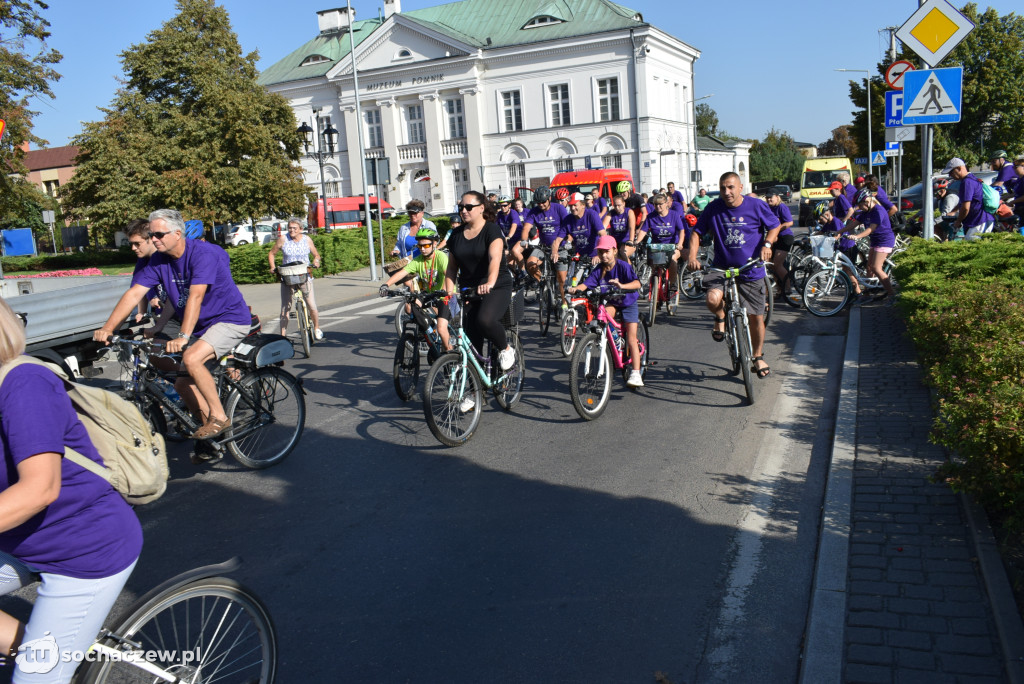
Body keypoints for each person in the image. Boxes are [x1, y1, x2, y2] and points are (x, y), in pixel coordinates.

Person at [0, 297, 143, 684]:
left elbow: (39, 489)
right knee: (37, 660)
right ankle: (38, 652)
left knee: (35, 679)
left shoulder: (23, 383)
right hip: (21, 539)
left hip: (83, 550)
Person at [95, 209, 253, 440]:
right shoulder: (159, 260)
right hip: (201, 326)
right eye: (152, 234)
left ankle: (220, 417)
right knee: (181, 384)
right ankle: (212, 437)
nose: (154, 239)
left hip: (229, 319)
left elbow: (196, 296)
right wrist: (108, 328)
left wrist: (183, 336)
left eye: (159, 234)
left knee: (191, 358)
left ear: (177, 233)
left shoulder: (202, 254)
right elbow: (134, 294)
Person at [688, 172, 779, 379]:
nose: (726, 192)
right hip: (721, 268)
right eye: (722, 188)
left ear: (740, 187)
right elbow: (696, 233)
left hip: (751, 268)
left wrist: (767, 244)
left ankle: (757, 356)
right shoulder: (713, 208)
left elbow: (774, 226)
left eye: (730, 187)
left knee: (756, 316)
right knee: (712, 299)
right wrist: (692, 256)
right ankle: (720, 316)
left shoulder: (755, 205)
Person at [444, 192, 517, 407]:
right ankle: (474, 393)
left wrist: (491, 282)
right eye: (461, 207)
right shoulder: (456, 235)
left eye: (468, 207)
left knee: (485, 320)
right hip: (469, 288)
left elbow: (496, 259)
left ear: (481, 208)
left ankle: (505, 349)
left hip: (496, 285)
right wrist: (449, 294)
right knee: (470, 342)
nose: (463, 211)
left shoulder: (491, 230)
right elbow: (451, 268)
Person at [568, 234, 644, 387]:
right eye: (600, 252)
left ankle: (636, 373)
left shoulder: (623, 266)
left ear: (614, 251)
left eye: (606, 251)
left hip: (628, 302)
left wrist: (622, 286)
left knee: (631, 338)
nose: (603, 255)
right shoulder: (599, 270)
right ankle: (611, 343)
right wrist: (576, 289)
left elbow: (637, 284)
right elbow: (587, 284)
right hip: (612, 302)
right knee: (602, 321)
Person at [381, 229, 452, 350]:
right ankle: (428, 330)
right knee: (411, 305)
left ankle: (449, 354)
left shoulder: (441, 257)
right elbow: (403, 272)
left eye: (426, 245)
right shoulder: (419, 260)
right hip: (429, 294)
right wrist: (386, 285)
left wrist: (445, 291)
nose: (422, 249)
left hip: (444, 295)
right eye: (420, 245)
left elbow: (448, 276)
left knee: (441, 328)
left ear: (435, 244)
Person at [269, 218, 323, 340]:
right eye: (290, 227)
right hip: (287, 276)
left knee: (311, 305)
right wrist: (272, 267)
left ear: (301, 229)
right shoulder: (283, 239)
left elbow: (316, 254)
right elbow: (272, 253)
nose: (292, 230)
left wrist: (316, 261)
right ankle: (282, 336)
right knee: (285, 308)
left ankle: (316, 327)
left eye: (295, 228)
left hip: (304, 275)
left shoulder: (307, 239)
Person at [513, 187, 569, 300]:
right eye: (538, 203)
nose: (541, 205)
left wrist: (568, 241)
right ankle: (543, 282)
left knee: (562, 280)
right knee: (530, 264)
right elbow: (526, 228)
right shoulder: (534, 211)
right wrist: (524, 241)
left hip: (560, 247)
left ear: (549, 199)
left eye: (543, 202)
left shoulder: (559, 208)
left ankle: (563, 302)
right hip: (543, 246)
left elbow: (568, 226)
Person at [845, 189, 896, 303]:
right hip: (875, 240)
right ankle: (867, 294)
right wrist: (840, 231)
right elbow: (855, 223)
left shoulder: (879, 210)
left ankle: (892, 294)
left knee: (876, 268)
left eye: (860, 205)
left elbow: (870, 229)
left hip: (884, 240)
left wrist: (857, 236)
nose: (859, 207)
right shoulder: (866, 212)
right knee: (869, 268)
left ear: (867, 201)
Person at [636, 192, 687, 290]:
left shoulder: (674, 215)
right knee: (654, 267)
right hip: (657, 246)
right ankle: (655, 288)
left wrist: (680, 243)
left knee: (672, 260)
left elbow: (681, 230)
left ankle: (672, 284)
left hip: (672, 245)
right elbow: (643, 230)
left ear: (666, 204)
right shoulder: (651, 216)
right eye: (655, 204)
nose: (658, 206)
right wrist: (637, 241)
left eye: (660, 204)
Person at [943, 157, 995, 239]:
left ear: (959, 168)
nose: (950, 175)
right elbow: (964, 201)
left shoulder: (967, 182)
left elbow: (965, 208)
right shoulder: (971, 178)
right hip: (979, 221)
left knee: (973, 249)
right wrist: (954, 211)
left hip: (979, 222)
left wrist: (958, 221)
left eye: (951, 172)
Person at [562, 193, 605, 280]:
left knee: (596, 285)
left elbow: (603, 235)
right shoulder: (568, 219)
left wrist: (599, 255)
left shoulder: (592, 214)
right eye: (570, 206)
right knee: (572, 284)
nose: (573, 208)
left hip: (595, 256)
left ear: (583, 205)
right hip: (580, 257)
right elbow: (559, 238)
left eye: (575, 205)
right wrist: (555, 252)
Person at [763, 189, 794, 296]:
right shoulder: (768, 208)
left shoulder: (781, 207)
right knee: (771, 265)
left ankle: (788, 288)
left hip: (785, 237)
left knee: (777, 264)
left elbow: (789, 222)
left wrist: (776, 230)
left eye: (771, 197)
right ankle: (780, 289)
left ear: (777, 197)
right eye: (767, 197)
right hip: (773, 238)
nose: (769, 199)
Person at [603, 193, 637, 261]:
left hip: (627, 241)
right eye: (615, 205)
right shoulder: (611, 213)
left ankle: (629, 270)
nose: (617, 208)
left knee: (622, 252)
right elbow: (603, 226)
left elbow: (631, 228)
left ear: (624, 204)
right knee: (610, 256)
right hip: (615, 242)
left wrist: (631, 240)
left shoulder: (629, 212)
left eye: (619, 205)